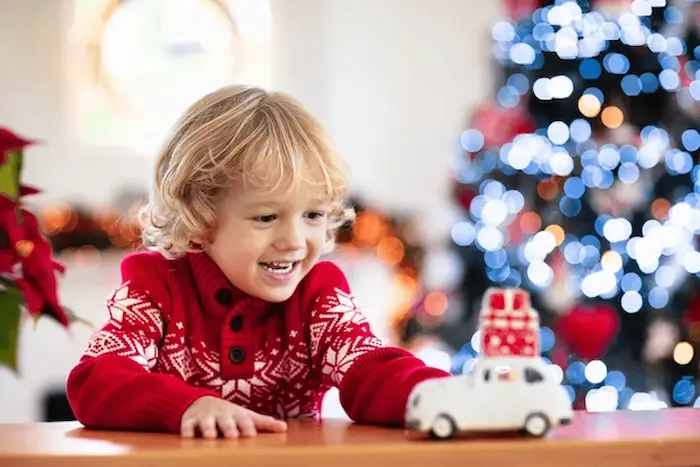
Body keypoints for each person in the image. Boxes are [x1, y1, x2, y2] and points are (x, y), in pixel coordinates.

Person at [66, 85, 450, 439]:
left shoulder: (317, 295)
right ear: (200, 221)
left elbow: (370, 368)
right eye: (266, 218)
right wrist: (186, 406)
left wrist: (440, 394)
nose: (294, 241)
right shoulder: (156, 288)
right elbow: (96, 380)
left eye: (313, 216)